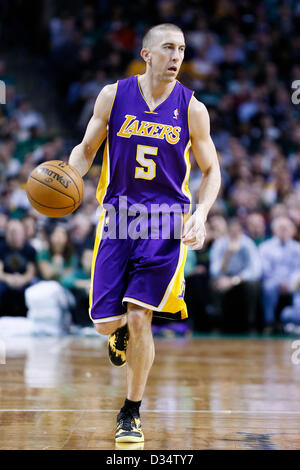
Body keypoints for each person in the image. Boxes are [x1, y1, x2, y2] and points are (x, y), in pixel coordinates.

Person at [68, 23, 221, 443]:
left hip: (165, 224)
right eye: (168, 48)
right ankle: (115, 331)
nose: (177, 57)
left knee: (140, 317)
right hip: (117, 218)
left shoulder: (192, 109)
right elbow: (85, 150)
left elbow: (212, 170)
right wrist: (67, 176)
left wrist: (202, 213)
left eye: (183, 50)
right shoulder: (114, 95)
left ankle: (130, 411)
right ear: (147, 53)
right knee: (104, 323)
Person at [209, 218, 262, 332]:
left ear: (241, 231)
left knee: (253, 286)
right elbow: (214, 270)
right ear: (228, 231)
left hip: (241, 279)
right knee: (214, 284)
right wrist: (228, 254)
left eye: (237, 231)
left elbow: (255, 270)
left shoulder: (248, 244)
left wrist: (234, 280)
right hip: (224, 277)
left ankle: (250, 323)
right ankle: (217, 323)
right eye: (232, 231)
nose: (234, 234)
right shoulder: (220, 243)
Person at [259, 216, 300, 331]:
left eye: (286, 228)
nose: (283, 231)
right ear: (274, 230)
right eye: (281, 228)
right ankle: (270, 322)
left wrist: (291, 282)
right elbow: (264, 269)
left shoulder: (298, 248)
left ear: (293, 231)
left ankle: (294, 318)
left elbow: (298, 269)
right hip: (273, 281)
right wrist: (279, 282)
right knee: (268, 287)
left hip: (294, 282)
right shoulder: (265, 247)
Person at [0, 218, 37, 316]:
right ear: (6, 234)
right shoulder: (2, 248)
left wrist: (23, 279)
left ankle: (31, 317)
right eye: (11, 232)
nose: (14, 235)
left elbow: (31, 271)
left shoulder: (30, 249)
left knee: (35, 286)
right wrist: (8, 279)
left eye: (17, 232)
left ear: (23, 233)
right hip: (5, 279)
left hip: (24, 279)